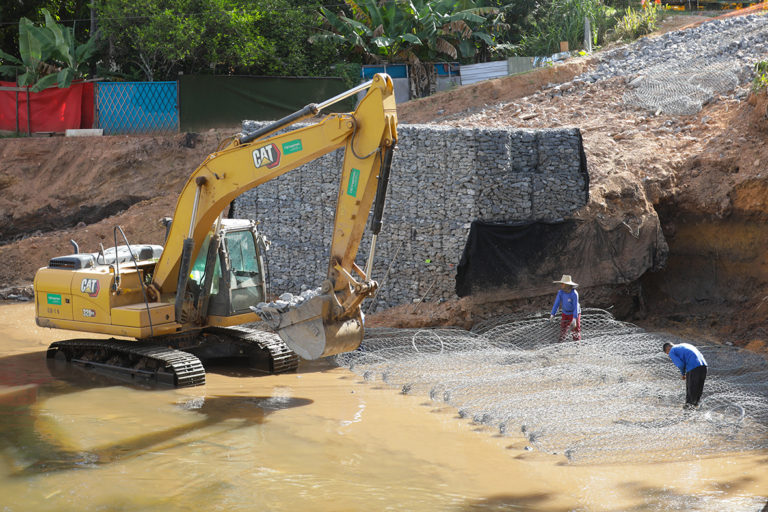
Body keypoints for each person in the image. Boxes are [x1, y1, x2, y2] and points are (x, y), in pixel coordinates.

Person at [663, 342, 708, 409]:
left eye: (667, 353)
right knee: (698, 390)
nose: (669, 355)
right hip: (704, 366)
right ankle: (696, 407)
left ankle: (688, 411)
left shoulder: (672, 351)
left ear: (668, 349)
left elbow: (680, 364)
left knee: (691, 390)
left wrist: (683, 374)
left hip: (693, 367)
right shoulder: (685, 345)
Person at [549, 274, 581, 341]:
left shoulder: (574, 294)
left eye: (563, 284)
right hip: (565, 313)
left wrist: (574, 318)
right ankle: (561, 341)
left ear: (568, 285)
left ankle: (577, 343)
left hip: (574, 313)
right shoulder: (560, 292)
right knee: (563, 328)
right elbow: (556, 304)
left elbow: (576, 306)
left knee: (575, 329)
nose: (561, 285)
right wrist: (552, 314)